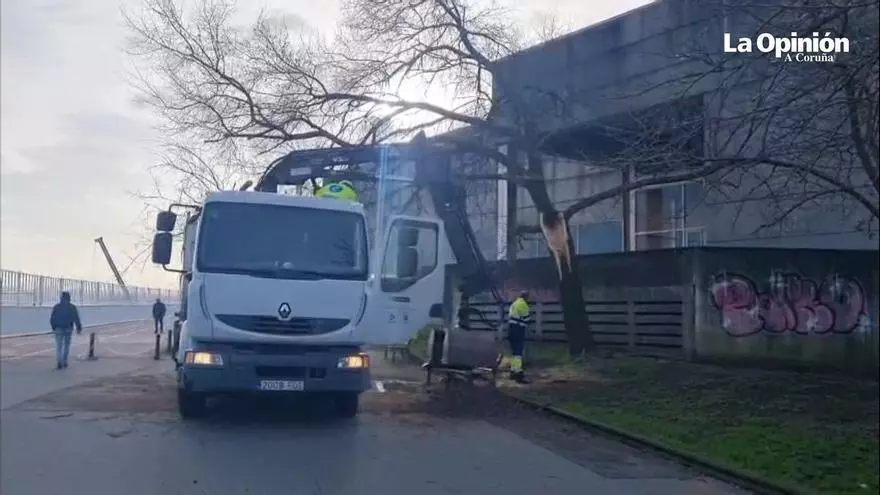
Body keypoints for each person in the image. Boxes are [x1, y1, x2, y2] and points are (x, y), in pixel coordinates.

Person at [49, 291, 82, 370]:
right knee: (66, 345)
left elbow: (52, 318)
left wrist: (54, 327)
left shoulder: (57, 307)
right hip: (68, 328)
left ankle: (59, 361)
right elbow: (76, 318)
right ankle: (64, 361)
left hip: (58, 328)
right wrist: (79, 328)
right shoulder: (72, 307)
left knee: (59, 346)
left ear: (61, 298)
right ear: (69, 298)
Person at [507, 290, 531, 384]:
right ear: (526, 297)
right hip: (518, 330)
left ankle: (513, 371)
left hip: (510, 329)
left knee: (514, 352)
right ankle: (518, 373)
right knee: (518, 353)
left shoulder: (514, 303)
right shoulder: (523, 304)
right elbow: (526, 318)